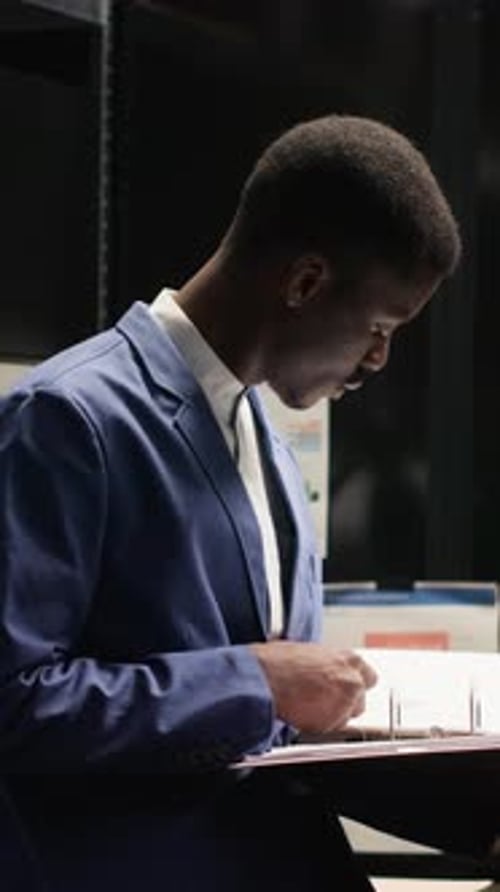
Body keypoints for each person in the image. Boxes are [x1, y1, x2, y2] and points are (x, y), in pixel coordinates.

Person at [0, 113, 488, 892]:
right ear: (304, 282)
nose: (378, 359)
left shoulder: (263, 438)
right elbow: (15, 704)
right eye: (379, 326)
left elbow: (274, 743)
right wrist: (252, 681)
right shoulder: (68, 419)